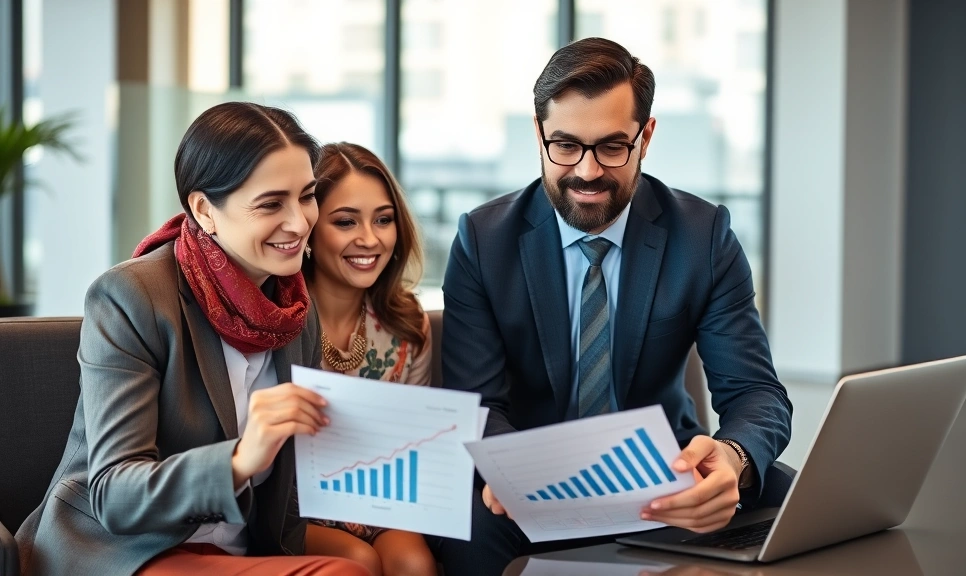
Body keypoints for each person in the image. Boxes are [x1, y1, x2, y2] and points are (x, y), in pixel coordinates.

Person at [436, 38, 793, 576]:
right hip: (533, 478)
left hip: (662, 474)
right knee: (463, 523)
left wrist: (733, 459)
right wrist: (519, 475)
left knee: (785, 491)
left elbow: (756, 392)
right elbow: (477, 403)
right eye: (565, 145)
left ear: (645, 137)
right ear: (539, 133)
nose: (585, 171)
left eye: (610, 147)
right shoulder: (484, 240)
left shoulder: (702, 236)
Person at [15, 102, 369, 576]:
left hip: (235, 543)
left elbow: (290, 485)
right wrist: (241, 459)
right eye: (271, 203)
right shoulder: (132, 296)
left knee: (363, 560)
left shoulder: (294, 311)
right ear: (205, 210)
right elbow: (114, 494)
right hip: (124, 548)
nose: (300, 221)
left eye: (307, 196)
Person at [301, 142, 436, 576]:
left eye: (383, 219)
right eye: (345, 221)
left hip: (378, 497)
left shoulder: (407, 323)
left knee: (412, 562)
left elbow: (416, 442)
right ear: (308, 228)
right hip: (292, 502)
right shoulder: (275, 319)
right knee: (355, 561)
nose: (370, 239)